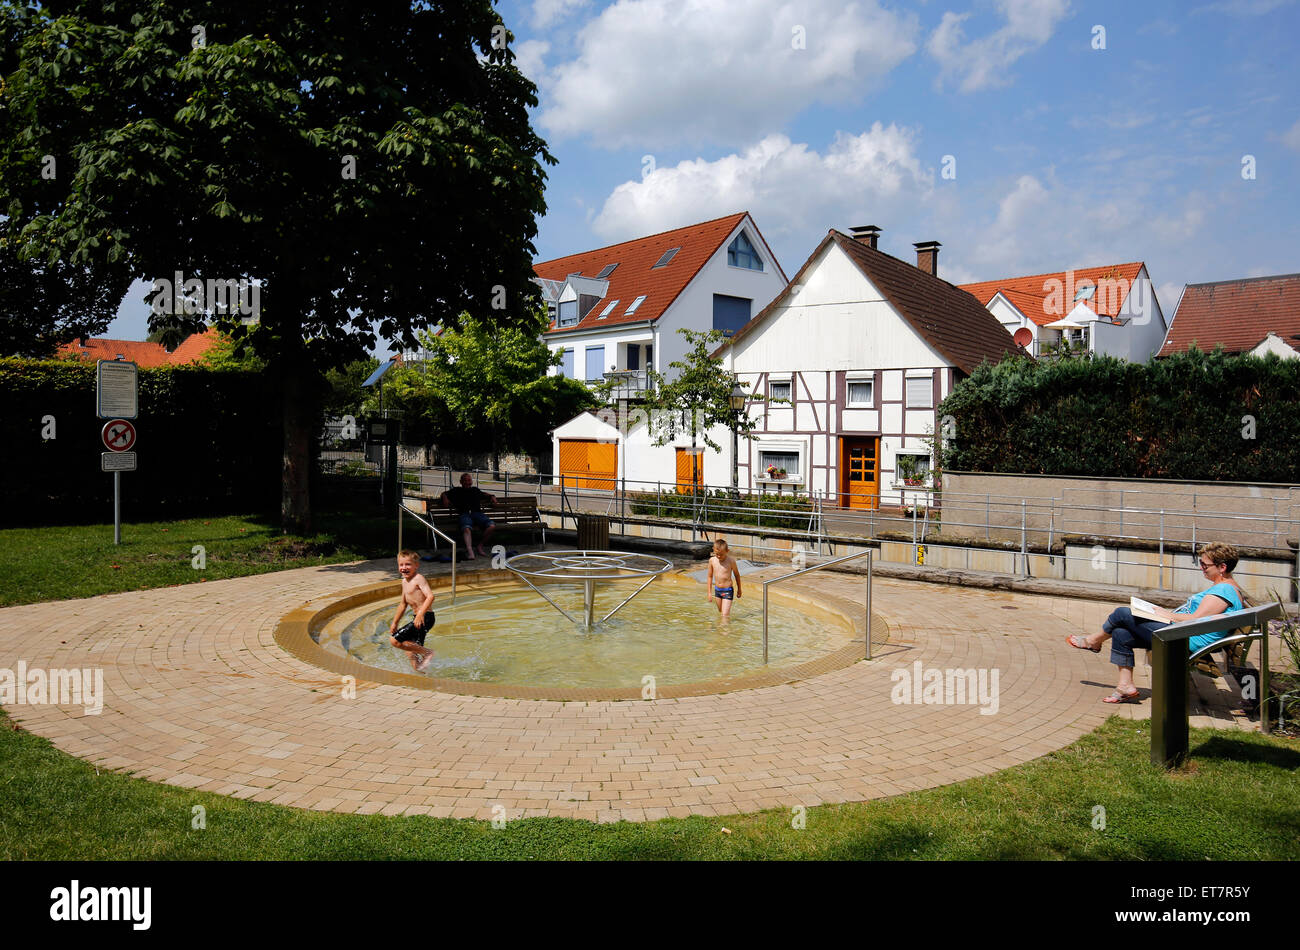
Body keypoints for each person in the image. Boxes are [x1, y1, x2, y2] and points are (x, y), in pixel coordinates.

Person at [1066, 541, 1248, 704]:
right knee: (1122, 632)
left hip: (1184, 639)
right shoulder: (1225, 588)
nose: (1202, 568)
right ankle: (1125, 686)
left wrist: (1166, 615)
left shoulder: (1224, 590)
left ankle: (1093, 641)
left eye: (1205, 565)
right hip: (1181, 632)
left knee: (1122, 613)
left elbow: (1196, 620)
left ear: (1222, 567)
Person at [389, 549, 436, 672]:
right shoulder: (404, 582)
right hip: (418, 618)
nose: (404, 567)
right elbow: (403, 604)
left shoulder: (419, 578)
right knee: (410, 650)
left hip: (425, 617)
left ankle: (428, 653)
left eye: (408, 564)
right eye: (401, 564)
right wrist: (395, 622)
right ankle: (422, 673)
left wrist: (420, 614)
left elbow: (430, 596)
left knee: (395, 640)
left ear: (416, 565)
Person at [440, 472, 498, 560]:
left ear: (471, 481)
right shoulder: (456, 491)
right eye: (465, 480)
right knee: (466, 528)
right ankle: (470, 551)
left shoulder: (475, 490)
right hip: (464, 514)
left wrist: (492, 496)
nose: (467, 482)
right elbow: (444, 493)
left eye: (469, 480)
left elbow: (485, 494)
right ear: (461, 482)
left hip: (477, 514)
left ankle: (480, 546)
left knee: (492, 526)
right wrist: (445, 498)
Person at [706, 538, 742, 618]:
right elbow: (709, 576)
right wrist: (709, 592)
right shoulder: (712, 561)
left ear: (727, 551)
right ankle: (721, 629)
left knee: (725, 615)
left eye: (721, 554)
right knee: (721, 612)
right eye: (717, 554)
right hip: (717, 590)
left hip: (727, 590)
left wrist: (739, 589)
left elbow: (737, 575)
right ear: (714, 550)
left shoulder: (731, 561)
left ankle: (725, 630)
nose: (719, 556)